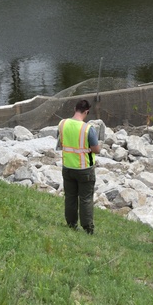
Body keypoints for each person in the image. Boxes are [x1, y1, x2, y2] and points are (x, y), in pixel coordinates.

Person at [57, 99, 101, 234]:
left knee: (70, 197)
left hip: (67, 167)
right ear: (86, 112)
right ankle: (88, 228)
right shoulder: (88, 128)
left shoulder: (62, 123)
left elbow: (60, 143)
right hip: (84, 169)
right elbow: (96, 149)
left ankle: (71, 224)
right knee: (86, 199)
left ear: (75, 109)